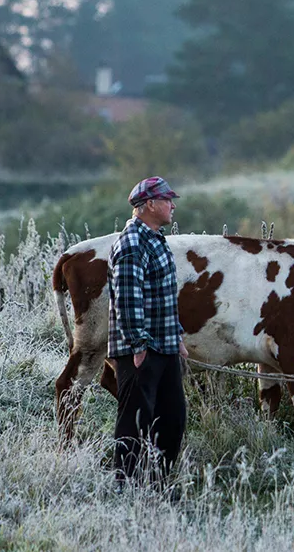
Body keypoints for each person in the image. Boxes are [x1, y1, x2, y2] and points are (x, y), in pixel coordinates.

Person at [108, 176, 188, 487]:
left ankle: (158, 484)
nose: (172, 205)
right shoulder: (132, 243)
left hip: (164, 347)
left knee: (172, 420)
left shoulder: (155, 239)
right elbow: (129, 298)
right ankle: (127, 487)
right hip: (141, 351)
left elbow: (165, 295)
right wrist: (139, 345)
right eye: (167, 199)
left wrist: (177, 336)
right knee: (135, 423)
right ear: (150, 205)